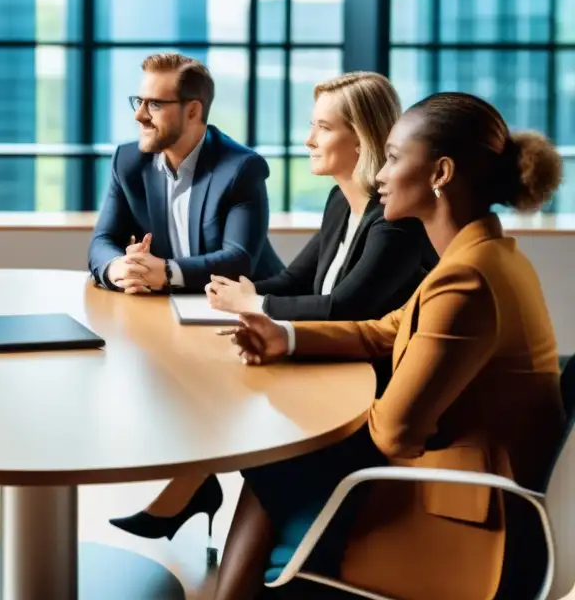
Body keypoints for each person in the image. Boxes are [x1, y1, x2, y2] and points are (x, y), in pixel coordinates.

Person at [215, 92, 565, 600]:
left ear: (440, 173)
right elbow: (386, 328)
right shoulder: (481, 255)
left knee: (271, 463)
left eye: (396, 158)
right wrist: (285, 337)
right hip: (481, 484)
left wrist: (323, 418)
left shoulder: (467, 277)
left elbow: (396, 433)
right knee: (271, 465)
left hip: (472, 513)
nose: (379, 173)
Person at [109, 71, 439, 546]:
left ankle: (190, 494)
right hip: (327, 366)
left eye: (323, 128)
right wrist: (218, 300)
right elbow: (292, 280)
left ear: (362, 138)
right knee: (219, 378)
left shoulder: (395, 226)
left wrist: (254, 303)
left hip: (362, 396)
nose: (308, 139)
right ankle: (189, 495)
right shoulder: (340, 204)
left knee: (237, 407)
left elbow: (345, 307)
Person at [88, 52, 283, 295]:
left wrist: (166, 272)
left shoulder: (240, 168)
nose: (139, 115)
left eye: (155, 104)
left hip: (251, 308)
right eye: (139, 102)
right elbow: (102, 241)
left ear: (192, 111)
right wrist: (118, 268)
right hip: (170, 306)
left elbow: (238, 260)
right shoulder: (129, 161)